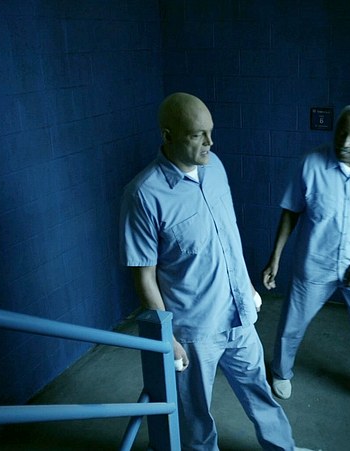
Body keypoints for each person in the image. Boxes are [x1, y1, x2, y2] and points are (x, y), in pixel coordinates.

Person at [120, 92, 315, 451]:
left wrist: (247, 286)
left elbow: (227, 237)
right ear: (167, 135)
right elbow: (144, 276)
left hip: (237, 313)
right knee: (195, 416)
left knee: (259, 389)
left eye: (211, 132)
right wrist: (168, 338)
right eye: (198, 135)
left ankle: (283, 448)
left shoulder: (216, 167)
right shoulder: (143, 195)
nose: (210, 142)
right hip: (194, 329)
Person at [261, 105, 350, 416]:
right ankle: (281, 372)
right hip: (315, 263)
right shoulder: (310, 164)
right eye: (341, 133)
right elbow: (291, 212)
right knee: (292, 324)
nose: (345, 142)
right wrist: (275, 258)